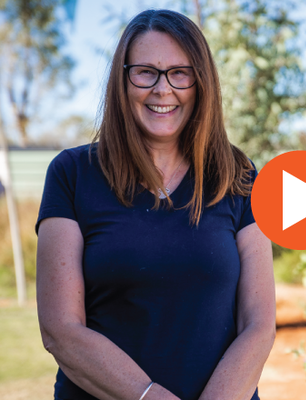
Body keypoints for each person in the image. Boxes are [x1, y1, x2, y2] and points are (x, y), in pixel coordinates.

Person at [35, 9, 275, 400]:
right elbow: (60, 330)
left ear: (201, 83)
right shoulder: (72, 174)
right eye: (145, 72)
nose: (163, 89)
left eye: (180, 73)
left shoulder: (240, 175)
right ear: (122, 80)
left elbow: (259, 325)